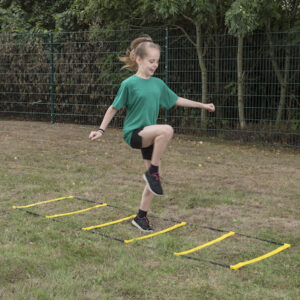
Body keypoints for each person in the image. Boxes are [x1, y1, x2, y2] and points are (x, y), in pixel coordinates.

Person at [89, 35, 215, 232]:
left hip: (150, 135)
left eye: (157, 61)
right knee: (166, 130)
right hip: (134, 133)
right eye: (151, 61)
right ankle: (152, 172)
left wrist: (203, 105)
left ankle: (141, 217)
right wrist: (100, 130)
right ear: (139, 60)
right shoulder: (129, 84)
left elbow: (176, 100)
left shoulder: (158, 84)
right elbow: (114, 108)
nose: (155, 65)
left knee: (155, 182)